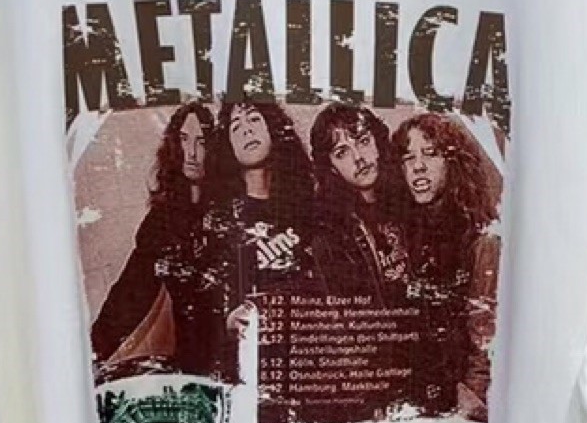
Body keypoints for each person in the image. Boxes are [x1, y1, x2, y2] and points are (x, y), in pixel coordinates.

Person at [89, 100, 221, 376]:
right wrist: (94, 350)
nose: (191, 153)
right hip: (189, 361)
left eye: (201, 142)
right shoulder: (162, 221)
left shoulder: (230, 211)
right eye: (184, 140)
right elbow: (130, 291)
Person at [199, 95, 323, 381]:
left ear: (273, 128)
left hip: (309, 359)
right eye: (236, 126)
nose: (246, 130)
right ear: (228, 146)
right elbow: (203, 302)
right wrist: (227, 321)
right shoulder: (218, 218)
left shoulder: (307, 205)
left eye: (254, 119)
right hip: (249, 365)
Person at [390, 112, 502, 420]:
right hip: (415, 398)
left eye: (430, 153)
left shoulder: (483, 239)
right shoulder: (404, 233)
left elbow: (484, 338)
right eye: (408, 157)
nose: (418, 166)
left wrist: (472, 400)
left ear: (452, 163)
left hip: (463, 404)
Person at [309, 101, 410, 304]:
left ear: (378, 142)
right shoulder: (331, 234)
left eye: (363, 141)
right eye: (342, 153)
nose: (358, 158)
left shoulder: (410, 198)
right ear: (332, 168)